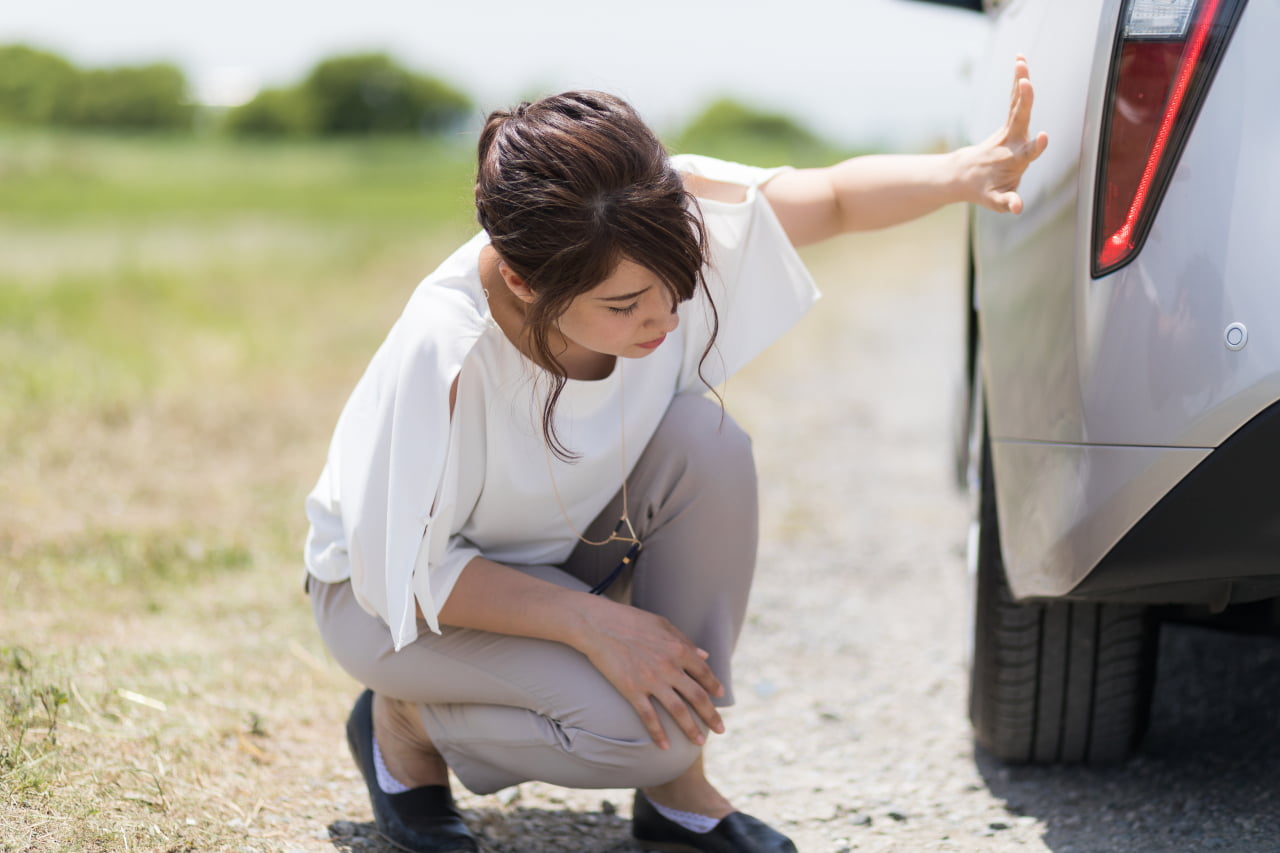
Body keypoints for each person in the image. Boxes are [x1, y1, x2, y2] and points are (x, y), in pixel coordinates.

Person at [304, 58, 1047, 853]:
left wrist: (961, 171)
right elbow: (409, 575)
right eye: (624, 305)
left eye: (676, 284)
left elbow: (829, 198)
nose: (661, 317)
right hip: (399, 608)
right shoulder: (445, 352)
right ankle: (405, 719)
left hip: (550, 560)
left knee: (707, 440)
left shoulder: (653, 219)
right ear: (522, 280)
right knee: (639, 733)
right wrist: (594, 625)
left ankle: (677, 787)